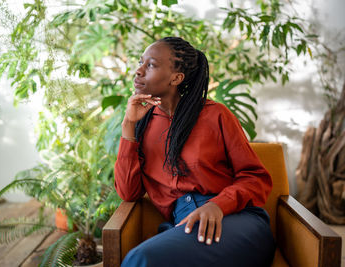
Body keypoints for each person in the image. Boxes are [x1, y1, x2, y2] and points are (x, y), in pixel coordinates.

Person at [114, 36, 275, 267]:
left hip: (236, 219)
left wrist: (218, 205)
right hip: (185, 226)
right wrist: (128, 126)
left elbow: (255, 178)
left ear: (176, 78)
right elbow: (129, 193)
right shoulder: (141, 125)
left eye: (150, 65)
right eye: (140, 63)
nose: (138, 71)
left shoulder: (215, 114)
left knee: (141, 259)